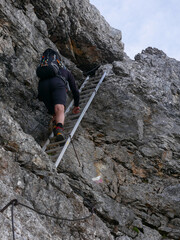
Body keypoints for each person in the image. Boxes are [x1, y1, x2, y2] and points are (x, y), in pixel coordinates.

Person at [37, 48, 80, 141]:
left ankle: (55, 122)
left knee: (54, 111)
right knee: (59, 108)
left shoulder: (45, 70)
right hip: (58, 84)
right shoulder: (66, 72)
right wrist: (76, 104)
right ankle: (59, 129)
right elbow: (75, 90)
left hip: (42, 86)